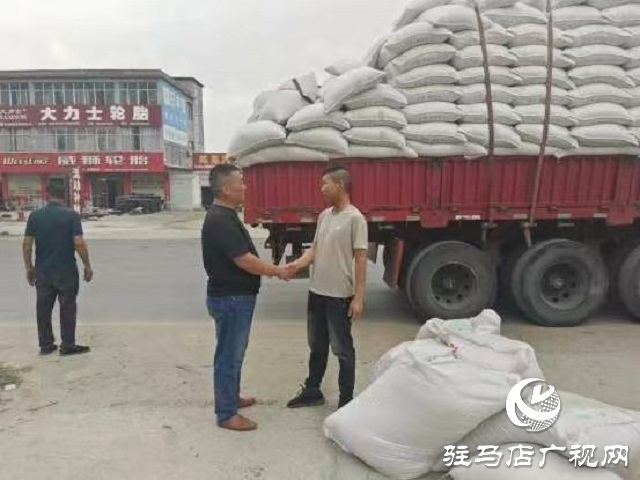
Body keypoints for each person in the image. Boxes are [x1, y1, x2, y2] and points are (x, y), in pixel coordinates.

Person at [202, 163, 292, 432]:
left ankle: (232, 397)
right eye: (240, 182)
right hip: (231, 299)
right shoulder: (220, 219)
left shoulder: (225, 215)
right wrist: (277, 271)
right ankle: (226, 413)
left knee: (234, 353)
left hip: (234, 298)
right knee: (229, 355)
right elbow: (244, 260)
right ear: (226, 189)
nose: (245, 186)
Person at [286, 166, 368, 410]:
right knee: (317, 346)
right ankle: (313, 390)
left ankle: (346, 401)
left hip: (339, 295)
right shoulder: (324, 216)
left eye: (325, 183)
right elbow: (315, 248)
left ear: (340, 185)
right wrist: (296, 265)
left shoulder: (355, 218)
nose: (322, 189)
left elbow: (361, 259)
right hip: (317, 292)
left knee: (342, 350)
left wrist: (358, 298)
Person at [22, 183, 93, 356]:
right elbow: (79, 242)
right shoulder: (71, 216)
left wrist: (29, 268)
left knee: (43, 307)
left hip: (43, 270)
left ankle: (46, 345)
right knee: (67, 306)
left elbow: (27, 244)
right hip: (66, 270)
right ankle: (67, 345)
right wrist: (87, 265)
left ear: (47, 195)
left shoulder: (35, 216)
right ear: (64, 196)